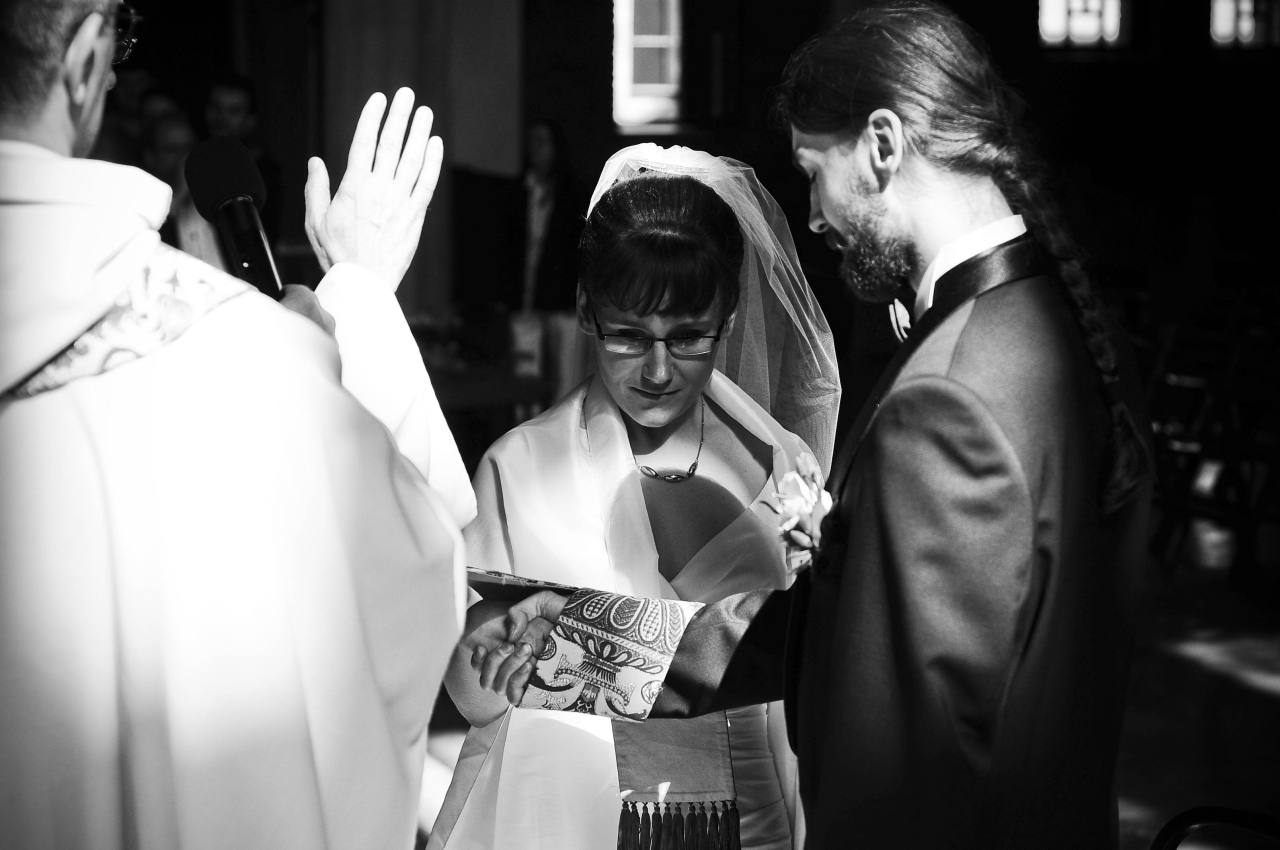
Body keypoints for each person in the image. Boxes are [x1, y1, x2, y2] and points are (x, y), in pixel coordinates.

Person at [467, 3, 1154, 848]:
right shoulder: (1063, 329)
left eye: (812, 171)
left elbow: (908, 756)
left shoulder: (949, 397)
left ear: (882, 145)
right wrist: (587, 643)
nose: (815, 218)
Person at [0, 2, 473, 848]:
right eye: (121, 36)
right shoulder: (228, 350)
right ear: (85, 57)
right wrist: (360, 296)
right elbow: (401, 583)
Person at [430, 145, 841, 850]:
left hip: (753, 812)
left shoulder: (781, 463)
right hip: (576, 814)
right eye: (627, 336)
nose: (656, 370)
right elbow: (472, 697)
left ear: (729, 318)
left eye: (687, 338)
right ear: (586, 311)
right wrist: (490, 646)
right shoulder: (521, 466)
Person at [142, 111, 228, 271]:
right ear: (151, 157)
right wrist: (179, 193)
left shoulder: (220, 199)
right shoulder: (144, 206)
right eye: (172, 150)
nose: (184, 157)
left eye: (188, 148)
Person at [204, 70, 282, 243]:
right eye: (216, 108)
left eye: (233, 111)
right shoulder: (192, 162)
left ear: (250, 120)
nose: (221, 119)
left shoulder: (263, 172)